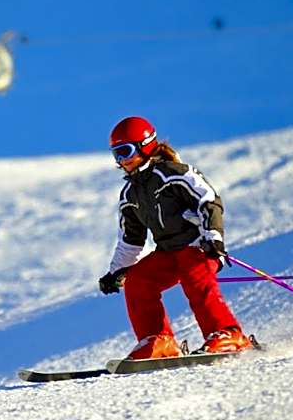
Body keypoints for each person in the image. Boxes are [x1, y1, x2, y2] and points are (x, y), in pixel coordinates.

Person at [98, 116, 253, 359]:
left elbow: (208, 200)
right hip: (167, 252)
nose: (122, 160)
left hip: (198, 246)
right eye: (116, 154)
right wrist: (116, 272)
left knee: (195, 277)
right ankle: (158, 340)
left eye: (126, 151)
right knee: (138, 281)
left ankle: (227, 333)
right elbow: (131, 238)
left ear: (145, 145)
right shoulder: (130, 193)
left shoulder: (174, 174)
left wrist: (213, 237)